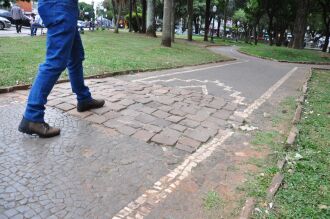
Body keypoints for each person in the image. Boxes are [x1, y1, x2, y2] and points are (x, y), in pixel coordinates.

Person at [18, 0, 105, 138]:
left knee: (76, 56)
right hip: (59, 5)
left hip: (63, 6)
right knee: (55, 61)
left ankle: (84, 99)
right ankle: (32, 116)